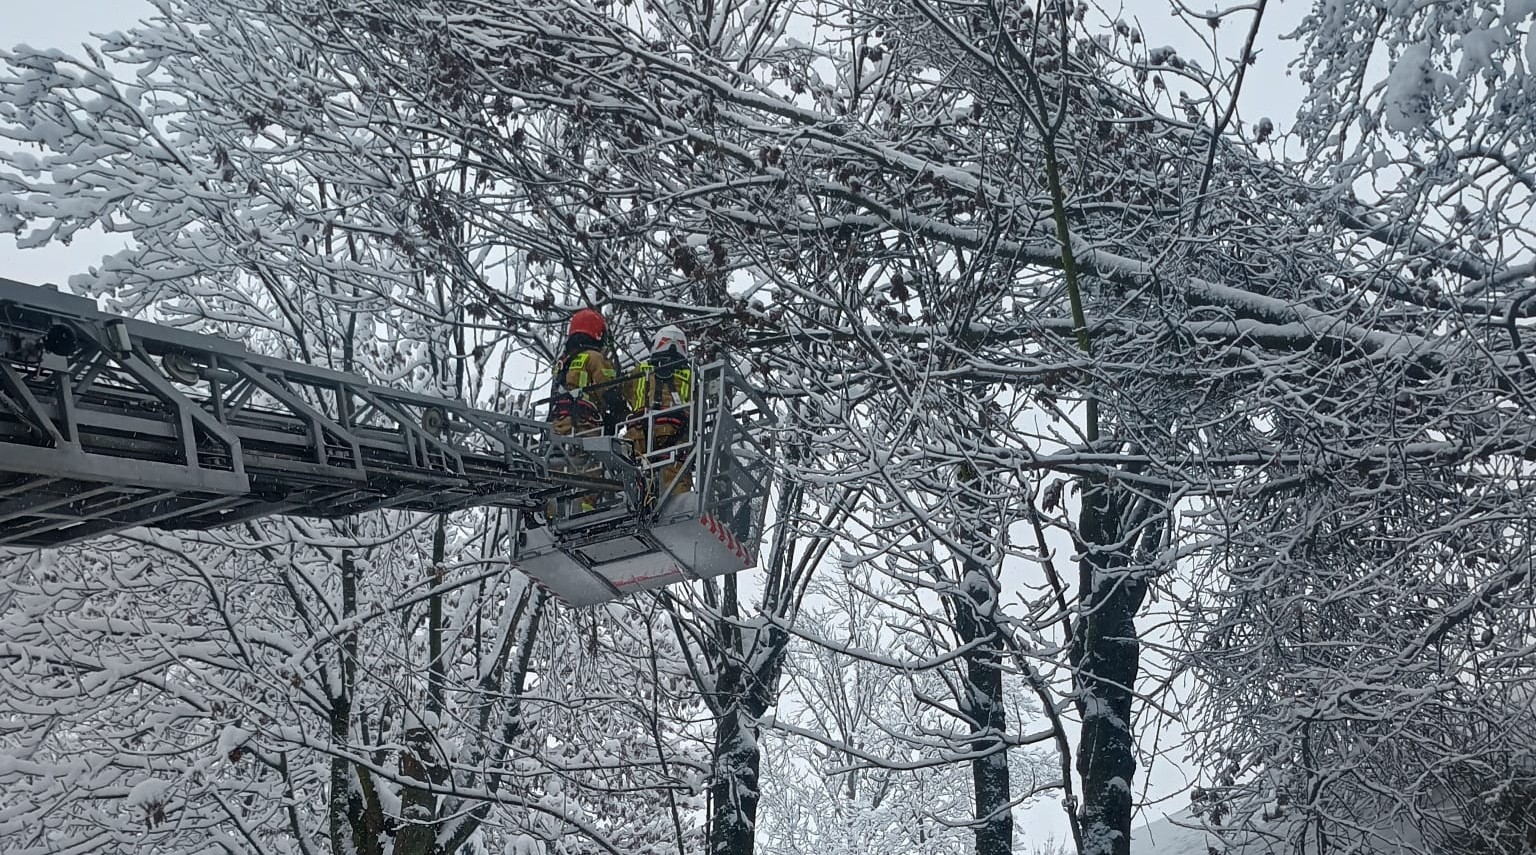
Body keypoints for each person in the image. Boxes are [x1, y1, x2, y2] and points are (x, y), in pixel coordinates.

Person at [548, 308, 627, 514]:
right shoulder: (594, 358)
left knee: (559, 472)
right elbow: (609, 391)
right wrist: (622, 415)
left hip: (558, 427)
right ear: (597, 333)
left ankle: (553, 511)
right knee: (593, 468)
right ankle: (585, 509)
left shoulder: (562, 363)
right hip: (584, 424)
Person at [626, 325, 695, 501]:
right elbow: (699, 406)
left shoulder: (640, 370)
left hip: (638, 434)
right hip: (675, 435)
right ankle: (678, 517)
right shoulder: (690, 374)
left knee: (634, 473)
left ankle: (635, 504)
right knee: (677, 480)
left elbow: (625, 392)